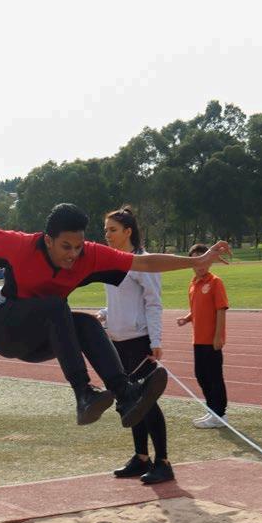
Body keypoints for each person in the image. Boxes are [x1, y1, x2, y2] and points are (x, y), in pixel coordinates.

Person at [0, 200, 230, 429]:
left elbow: (144, 262)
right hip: (3, 326)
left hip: (40, 339)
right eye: (65, 246)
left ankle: (125, 395)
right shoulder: (19, 245)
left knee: (85, 323)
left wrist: (195, 261)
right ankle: (83, 395)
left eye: (78, 246)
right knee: (57, 305)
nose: (73, 254)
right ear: (47, 240)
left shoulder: (90, 255)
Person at [98, 206, 173, 485]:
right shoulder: (112, 262)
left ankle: (163, 462)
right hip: (118, 341)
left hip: (139, 342)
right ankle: (141, 457)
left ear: (128, 231)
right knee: (131, 402)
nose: (107, 235)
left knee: (147, 402)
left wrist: (155, 341)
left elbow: (153, 303)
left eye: (113, 230)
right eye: (105, 230)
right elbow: (120, 301)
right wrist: (105, 315)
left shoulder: (143, 262)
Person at [176, 243, 229, 428]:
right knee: (201, 375)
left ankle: (220, 414)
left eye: (203, 260)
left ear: (210, 261)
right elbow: (197, 310)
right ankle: (212, 410)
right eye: (196, 261)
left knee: (214, 377)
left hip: (211, 340)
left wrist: (218, 336)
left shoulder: (215, 282)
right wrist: (187, 318)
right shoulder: (193, 284)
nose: (200, 265)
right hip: (197, 339)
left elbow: (221, 309)